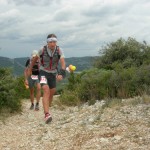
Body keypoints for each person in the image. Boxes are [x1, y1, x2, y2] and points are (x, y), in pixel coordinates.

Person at [28, 34, 66, 124]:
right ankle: (46, 114)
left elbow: (63, 63)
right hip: (43, 72)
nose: (53, 44)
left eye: (54, 42)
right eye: (51, 42)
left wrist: (61, 73)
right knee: (46, 89)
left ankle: (47, 105)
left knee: (52, 92)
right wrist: (30, 69)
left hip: (53, 73)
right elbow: (34, 60)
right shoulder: (42, 49)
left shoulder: (59, 50)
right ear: (47, 42)